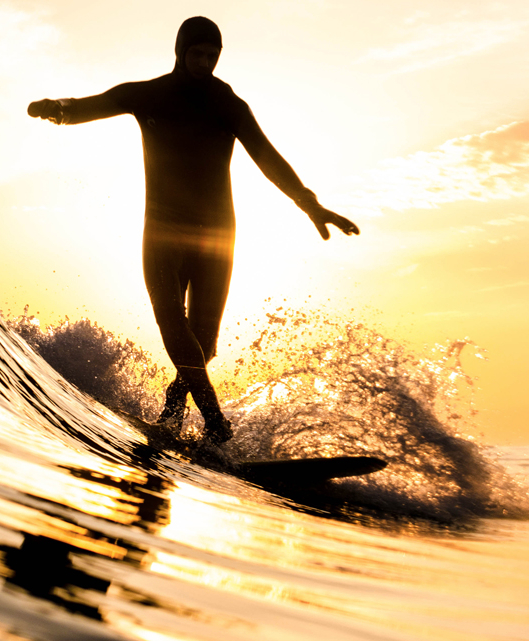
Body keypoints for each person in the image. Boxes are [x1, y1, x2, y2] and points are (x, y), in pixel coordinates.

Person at [28, 16, 359, 443]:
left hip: (216, 234)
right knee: (171, 321)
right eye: (197, 53)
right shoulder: (149, 95)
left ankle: (172, 408)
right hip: (163, 229)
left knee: (205, 342)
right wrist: (57, 110)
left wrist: (309, 204)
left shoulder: (228, 104)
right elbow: (91, 105)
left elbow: (268, 157)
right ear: (180, 51)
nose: (204, 62)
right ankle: (216, 422)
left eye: (212, 56)